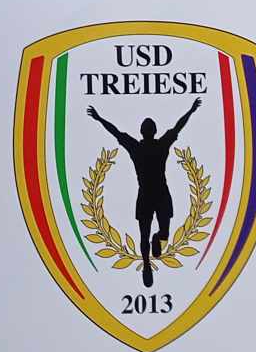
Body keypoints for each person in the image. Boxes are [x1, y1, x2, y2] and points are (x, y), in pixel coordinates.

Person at [86, 96, 202, 288]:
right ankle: (147, 264)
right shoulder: (151, 146)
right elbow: (177, 127)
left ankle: (155, 243)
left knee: (157, 234)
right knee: (149, 234)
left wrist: (99, 119)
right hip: (153, 195)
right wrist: (190, 111)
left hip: (155, 195)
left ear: (145, 131)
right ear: (152, 131)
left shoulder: (143, 146)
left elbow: (116, 132)